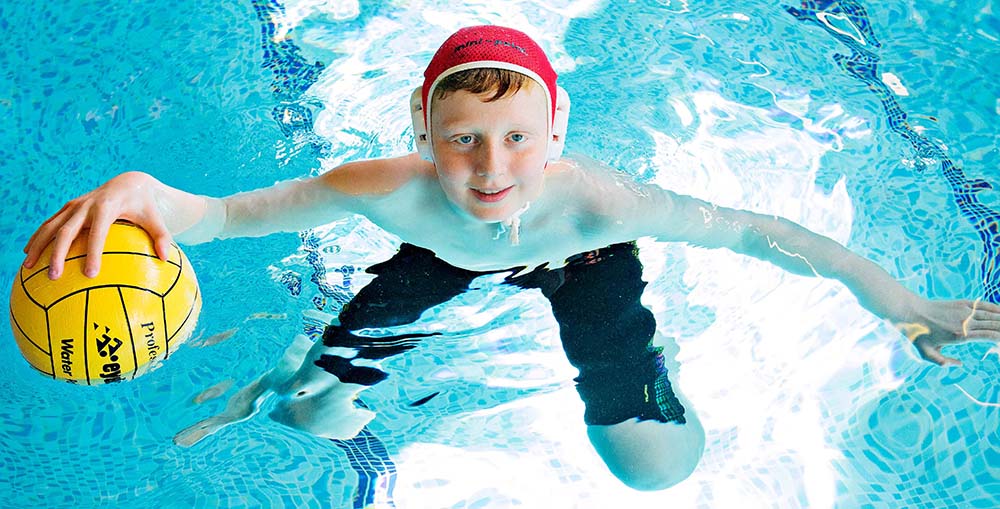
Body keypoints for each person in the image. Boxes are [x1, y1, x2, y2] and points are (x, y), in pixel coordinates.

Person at [21, 25, 1000, 491]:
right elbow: (232, 212)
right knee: (313, 410)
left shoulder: (599, 202)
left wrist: (896, 297)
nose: (492, 169)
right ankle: (364, 437)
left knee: (659, 464)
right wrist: (155, 195)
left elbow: (761, 232)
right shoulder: (389, 187)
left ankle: (652, 372)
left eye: (517, 139)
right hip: (439, 256)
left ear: (555, 130)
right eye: (463, 141)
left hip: (585, 265)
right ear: (424, 131)